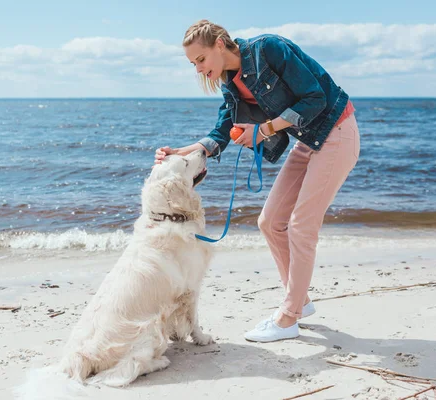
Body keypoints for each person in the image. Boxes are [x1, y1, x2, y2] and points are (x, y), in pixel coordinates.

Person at [154, 20, 360, 343]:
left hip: (337, 130)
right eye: (193, 64)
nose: (198, 69)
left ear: (220, 44)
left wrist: (263, 131)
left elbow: (314, 99)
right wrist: (179, 152)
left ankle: (288, 317)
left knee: (301, 226)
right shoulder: (230, 85)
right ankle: (301, 301)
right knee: (269, 221)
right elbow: (221, 132)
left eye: (201, 59)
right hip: (309, 141)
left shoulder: (268, 49)